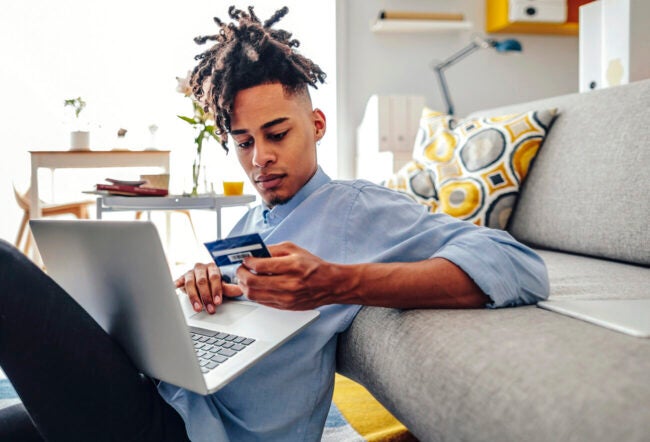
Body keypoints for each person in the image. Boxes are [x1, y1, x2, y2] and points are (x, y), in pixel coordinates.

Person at [0, 6, 549, 441]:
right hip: (170, 399)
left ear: (316, 124)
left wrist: (339, 281)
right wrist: (200, 289)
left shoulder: (356, 209)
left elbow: (519, 265)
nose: (259, 156)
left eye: (277, 133)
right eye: (243, 143)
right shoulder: (249, 218)